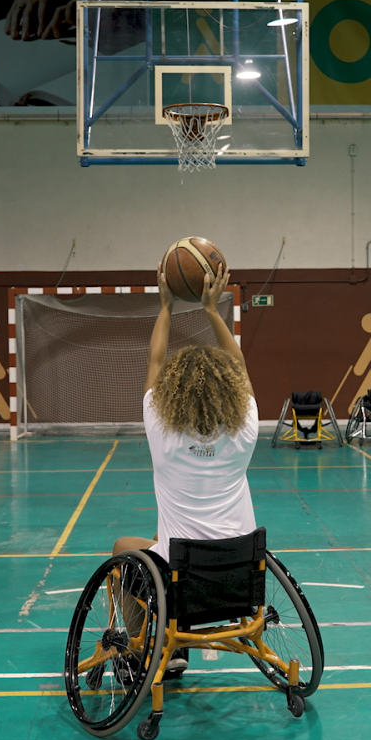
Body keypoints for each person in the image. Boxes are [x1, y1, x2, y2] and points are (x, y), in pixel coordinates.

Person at [113, 262, 257, 678]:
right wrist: (213, 310)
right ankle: (175, 649)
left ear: (171, 396)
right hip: (237, 582)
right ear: (231, 392)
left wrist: (166, 306)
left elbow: (154, 362)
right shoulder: (244, 431)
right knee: (164, 540)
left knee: (125, 546)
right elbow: (241, 368)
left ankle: (148, 651)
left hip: (180, 585)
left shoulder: (163, 435)